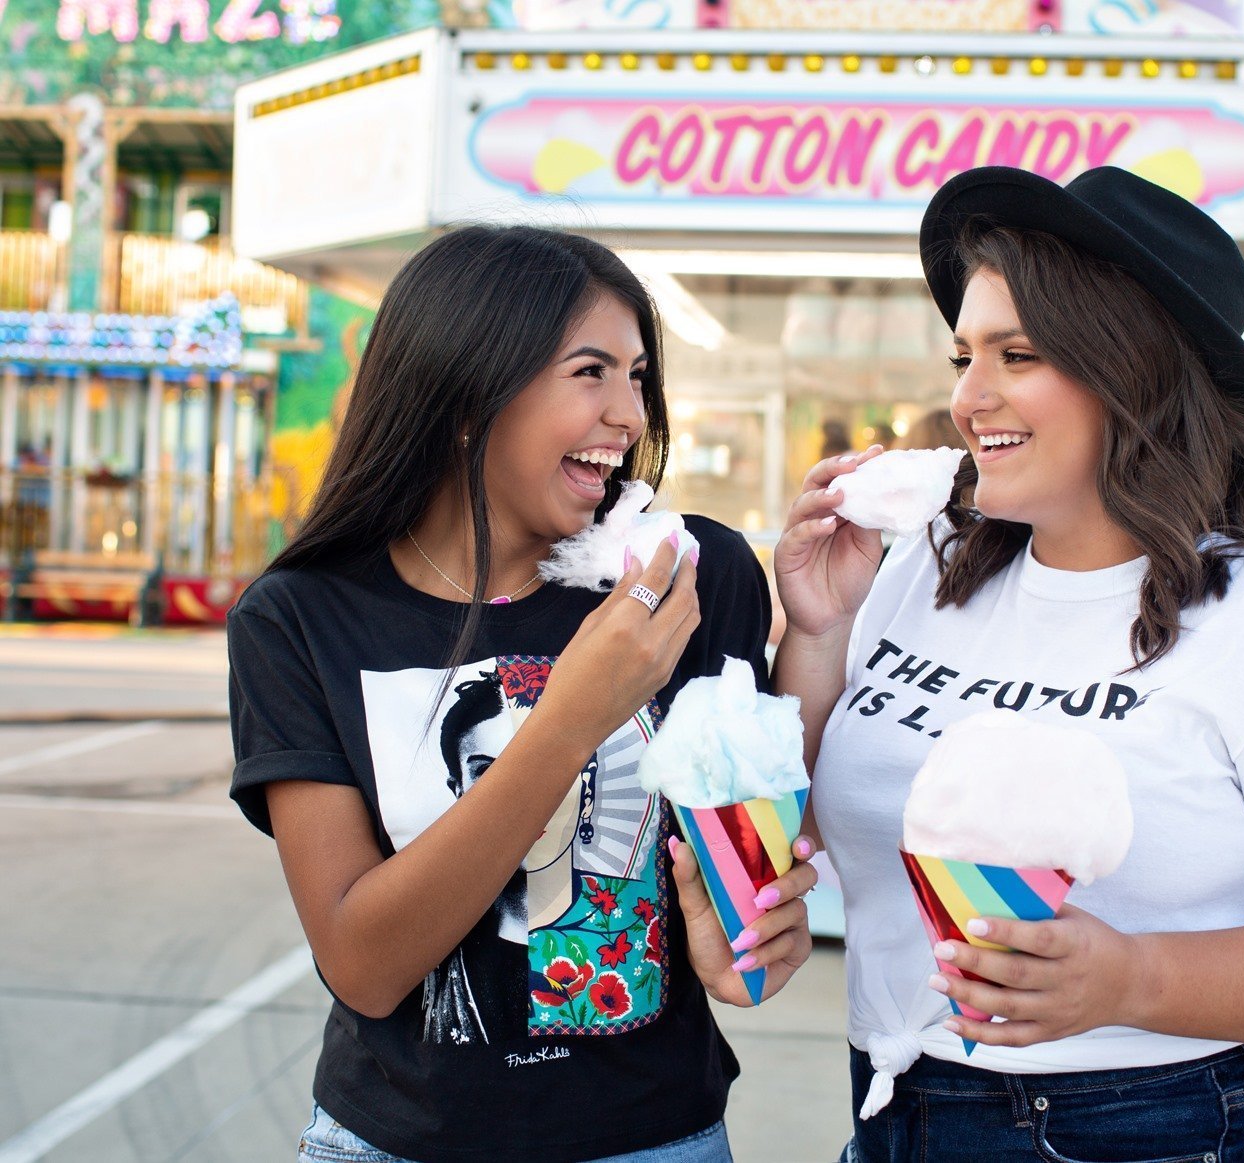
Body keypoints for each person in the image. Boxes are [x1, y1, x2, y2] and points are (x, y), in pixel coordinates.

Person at [773, 166, 1244, 1161]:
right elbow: (797, 824)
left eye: (1019, 353)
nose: (968, 398)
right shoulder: (913, 572)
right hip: (892, 1103)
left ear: (1133, 370)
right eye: (964, 354)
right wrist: (817, 633)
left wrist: (1130, 976)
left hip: (1153, 1122)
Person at [226, 225, 817, 1163]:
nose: (627, 414)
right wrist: (573, 714)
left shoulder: (683, 576)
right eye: (590, 371)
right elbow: (364, 964)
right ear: (469, 388)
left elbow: (757, 847)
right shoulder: (301, 617)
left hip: (654, 1138)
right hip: (396, 1141)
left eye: (637, 374)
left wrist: (741, 935)